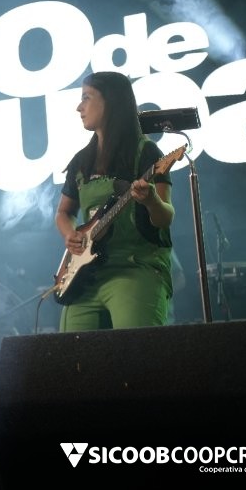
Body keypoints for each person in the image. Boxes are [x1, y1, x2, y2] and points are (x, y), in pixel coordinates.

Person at [54, 71, 174, 331]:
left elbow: (165, 217)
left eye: (86, 97)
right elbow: (63, 213)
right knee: (70, 352)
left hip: (135, 268)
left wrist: (151, 201)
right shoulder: (80, 160)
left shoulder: (146, 152)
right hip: (85, 277)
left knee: (136, 349)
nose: (79, 107)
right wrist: (70, 235)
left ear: (110, 101)